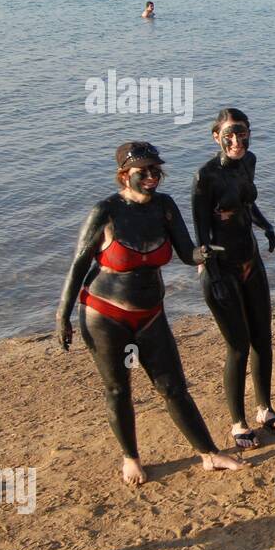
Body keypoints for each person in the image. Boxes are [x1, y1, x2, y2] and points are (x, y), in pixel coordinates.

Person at [56, 142, 247, 485]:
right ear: (123, 175)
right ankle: (130, 458)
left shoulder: (165, 207)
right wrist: (63, 316)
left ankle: (209, 454)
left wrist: (206, 253)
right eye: (142, 172)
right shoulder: (106, 211)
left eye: (155, 171)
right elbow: (78, 265)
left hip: (151, 314)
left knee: (174, 387)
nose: (151, 177)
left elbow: (187, 253)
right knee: (118, 390)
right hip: (104, 315)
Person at [192, 108, 275, 449]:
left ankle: (265, 408)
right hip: (222, 268)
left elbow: (247, 206)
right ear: (216, 136)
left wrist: (267, 227)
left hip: (250, 259)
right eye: (229, 135)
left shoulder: (250, 161)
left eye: (242, 133)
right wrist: (211, 272)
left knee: (263, 338)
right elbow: (201, 236)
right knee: (238, 346)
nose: (236, 141)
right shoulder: (205, 177)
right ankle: (238, 422)